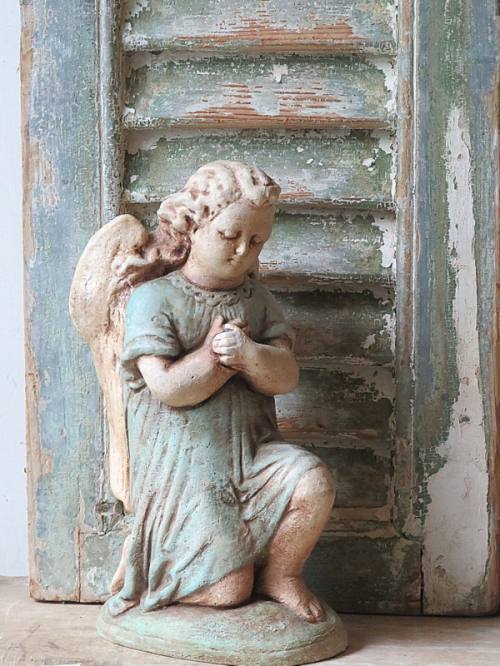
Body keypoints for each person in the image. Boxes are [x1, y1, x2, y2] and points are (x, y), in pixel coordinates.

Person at [108, 161, 335, 623]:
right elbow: (167, 388)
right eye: (230, 235)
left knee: (314, 482)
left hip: (253, 454)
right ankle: (159, 577)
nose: (242, 251)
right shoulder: (155, 299)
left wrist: (250, 356)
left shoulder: (257, 300)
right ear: (193, 226)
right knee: (227, 590)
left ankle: (281, 574)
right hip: (187, 469)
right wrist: (214, 359)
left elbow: (285, 376)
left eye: (257, 241)